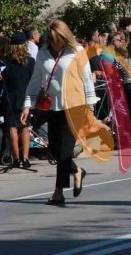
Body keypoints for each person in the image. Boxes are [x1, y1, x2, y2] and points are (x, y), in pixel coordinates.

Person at [21, 20, 97, 205]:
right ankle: (77, 171)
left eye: (56, 39)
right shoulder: (43, 53)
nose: (53, 43)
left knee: (64, 149)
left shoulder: (77, 51)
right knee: (54, 150)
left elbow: (87, 78)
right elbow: (35, 79)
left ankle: (58, 192)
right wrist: (27, 104)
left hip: (75, 105)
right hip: (52, 105)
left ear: (64, 37)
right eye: (50, 39)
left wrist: (90, 104)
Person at [2, 32, 36, 168]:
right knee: (25, 126)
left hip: (10, 97)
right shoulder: (30, 61)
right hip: (25, 97)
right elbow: (33, 80)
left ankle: (16, 158)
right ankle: (25, 158)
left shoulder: (5, 61)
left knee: (12, 127)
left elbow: (3, 80)